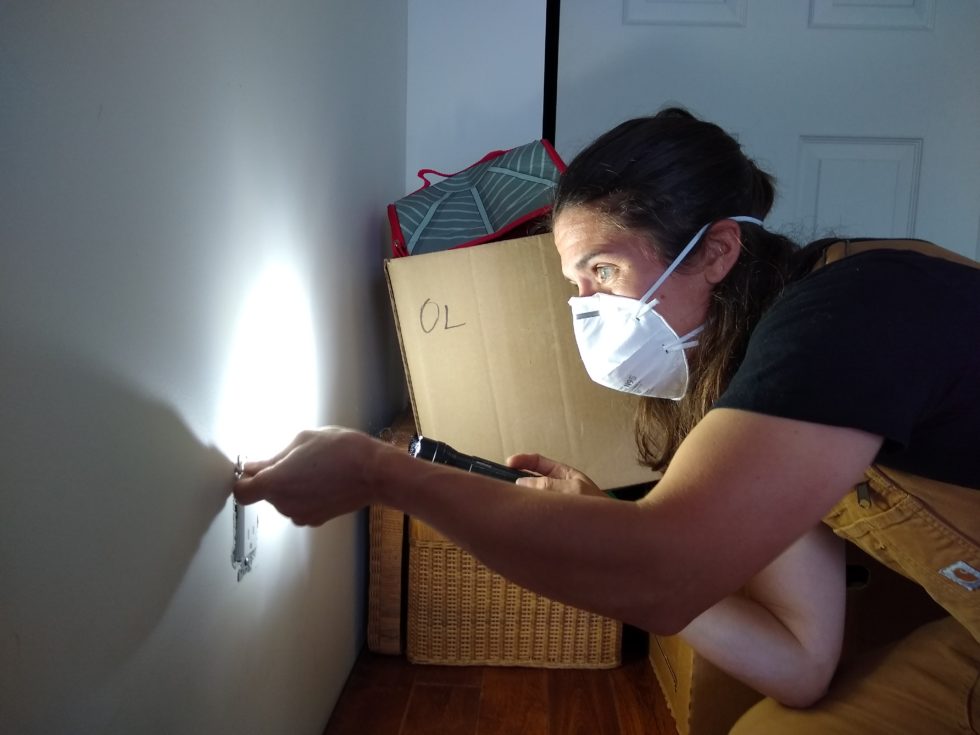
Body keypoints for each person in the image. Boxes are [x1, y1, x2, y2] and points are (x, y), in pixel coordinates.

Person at [235, 108, 980, 733]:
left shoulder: (849, 317)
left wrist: (379, 471)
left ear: (717, 249)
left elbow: (661, 571)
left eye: (605, 271)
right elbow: (799, 662)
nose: (587, 309)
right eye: (576, 285)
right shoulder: (756, 393)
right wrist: (606, 531)